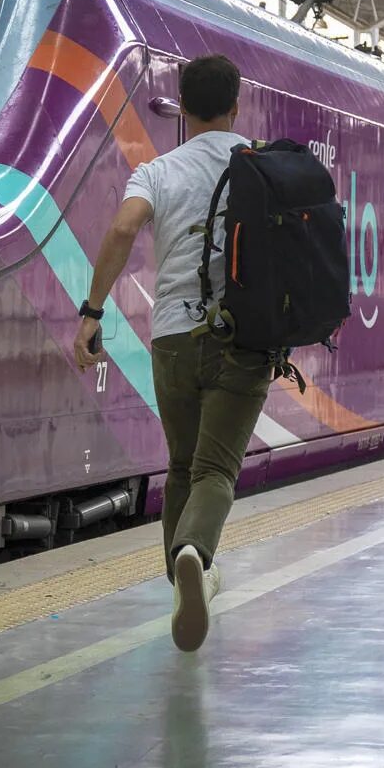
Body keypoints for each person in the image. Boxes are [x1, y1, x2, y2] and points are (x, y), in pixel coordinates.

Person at [74, 54, 268, 654]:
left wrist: (92, 311)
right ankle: (196, 556)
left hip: (174, 339)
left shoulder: (157, 172)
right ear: (237, 106)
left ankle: (181, 575)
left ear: (181, 109)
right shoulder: (260, 165)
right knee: (216, 471)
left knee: (182, 464)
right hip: (243, 338)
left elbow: (123, 230)